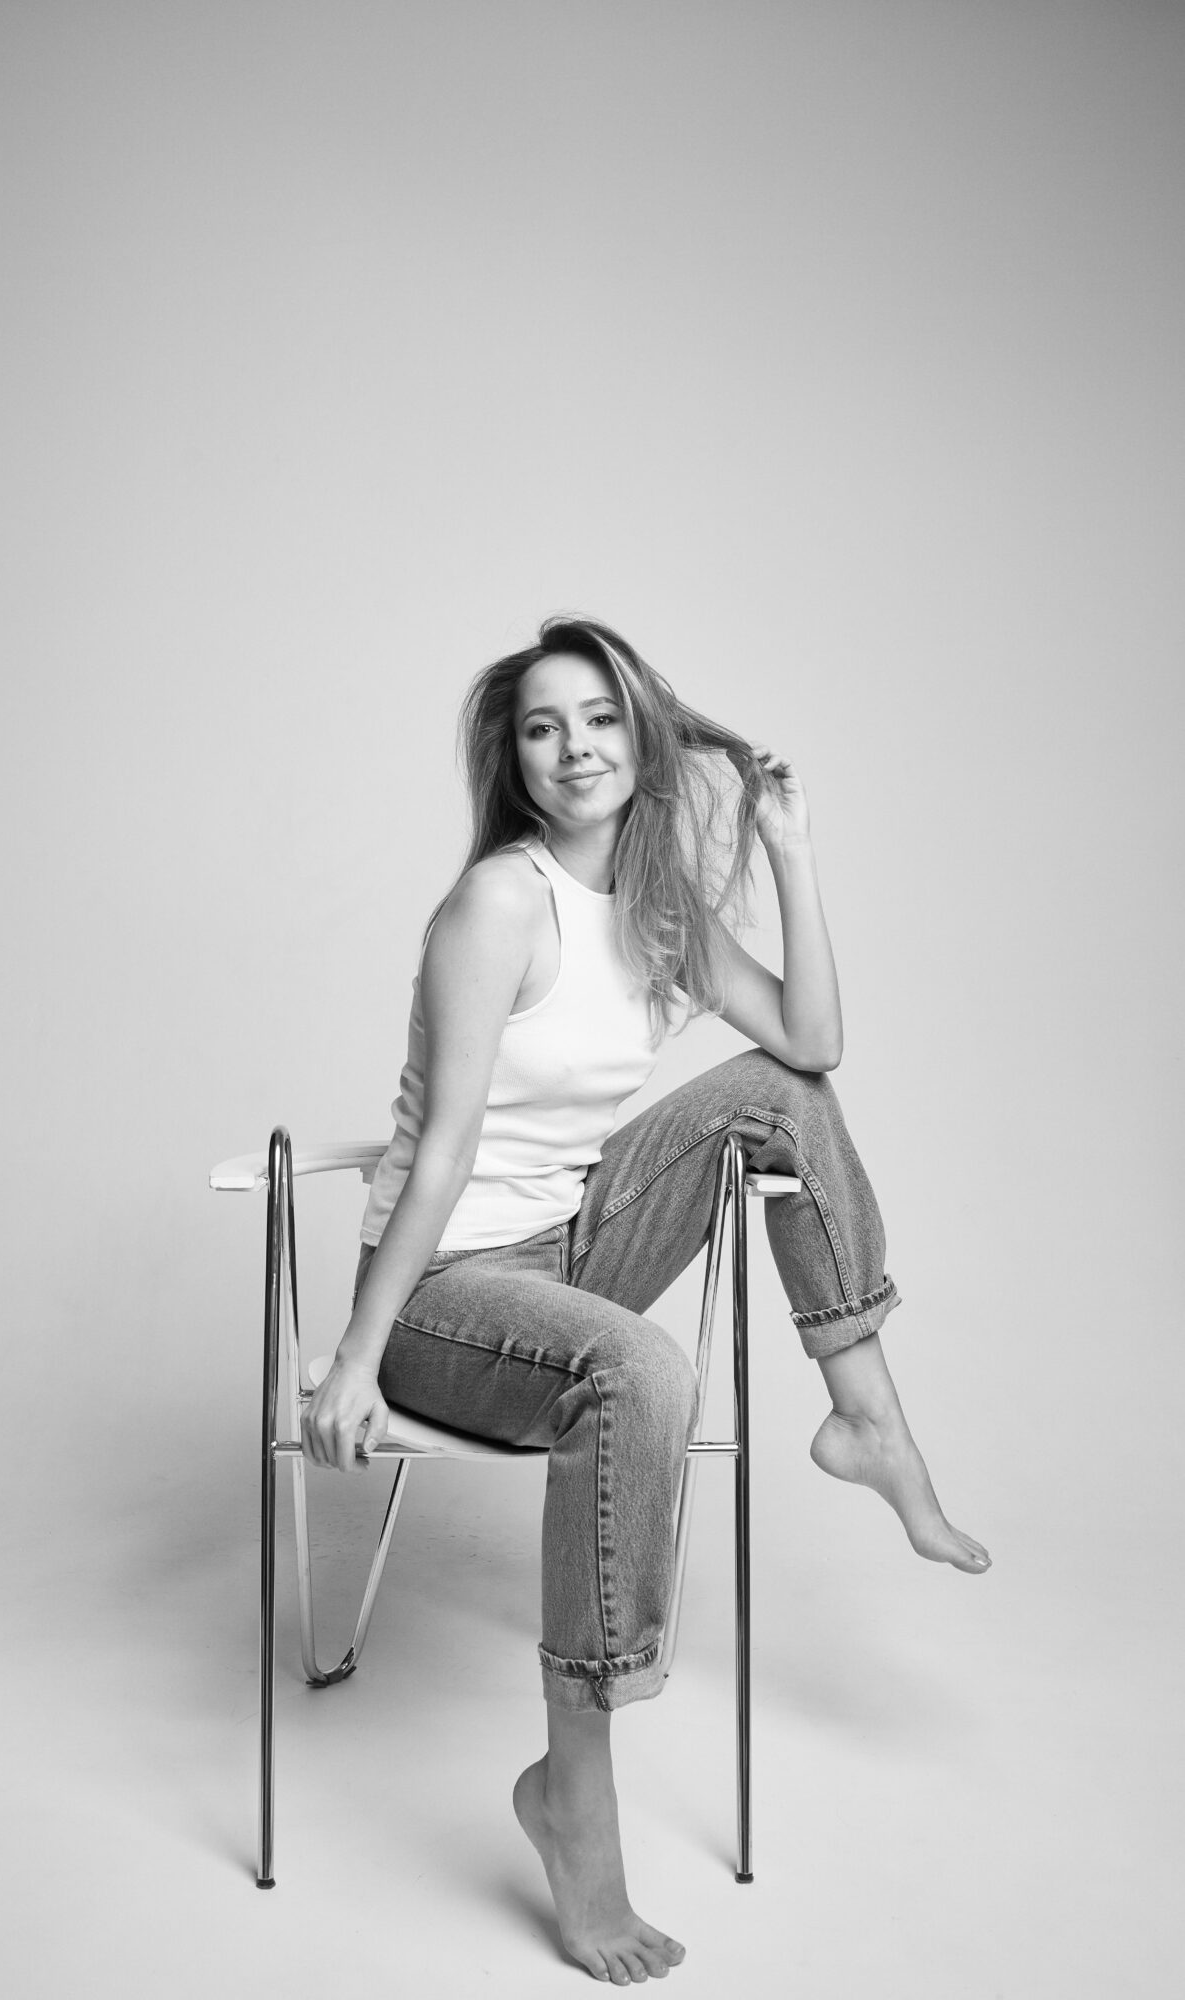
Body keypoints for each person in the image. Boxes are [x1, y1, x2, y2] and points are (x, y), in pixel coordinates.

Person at [302, 616, 990, 1986]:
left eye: (599, 718)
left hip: (569, 1251)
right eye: (541, 727)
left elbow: (813, 1041)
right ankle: (575, 1792)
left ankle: (866, 1418)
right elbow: (439, 1154)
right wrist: (357, 1360)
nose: (574, 748)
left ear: (641, 736)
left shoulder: (658, 909)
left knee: (778, 1092)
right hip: (447, 1295)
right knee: (647, 1375)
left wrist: (791, 852)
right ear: (513, 760)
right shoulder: (500, 905)